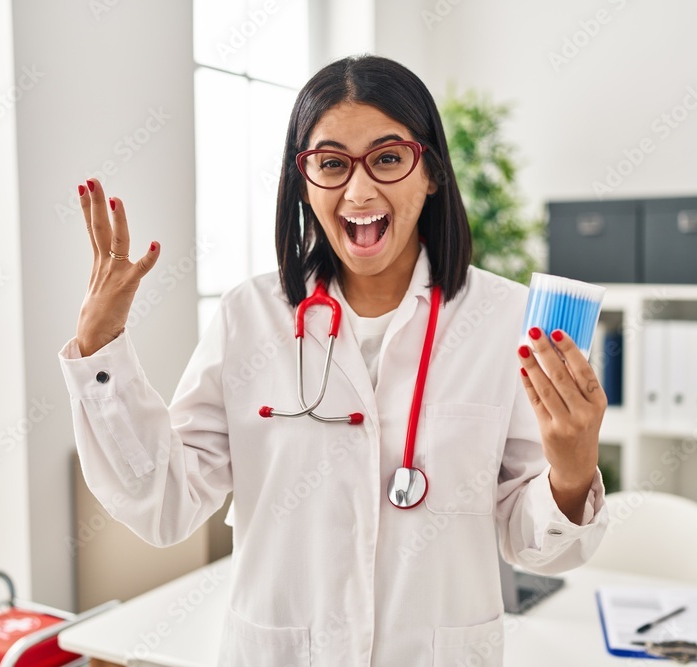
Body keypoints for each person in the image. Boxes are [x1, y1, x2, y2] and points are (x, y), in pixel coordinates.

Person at [59, 54, 608, 666]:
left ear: (431, 173)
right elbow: (164, 503)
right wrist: (100, 347)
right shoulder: (250, 318)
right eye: (330, 164)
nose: (360, 190)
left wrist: (571, 471)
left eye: (389, 158)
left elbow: (536, 546)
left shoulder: (505, 321)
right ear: (303, 182)